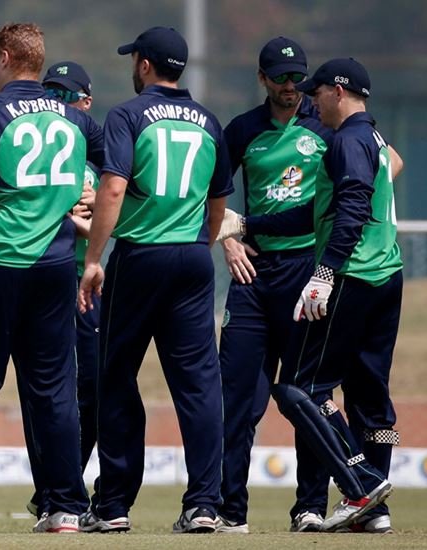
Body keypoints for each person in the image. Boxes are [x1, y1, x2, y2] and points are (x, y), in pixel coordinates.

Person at [220, 57, 402, 533]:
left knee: (301, 389)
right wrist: (247, 224)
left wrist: (324, 271)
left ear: (338, 93)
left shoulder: (345, 140)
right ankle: (374, 509)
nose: (308, 96)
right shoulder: (375, 138)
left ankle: (360, 482)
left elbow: (352, 209)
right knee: (371, 397)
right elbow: (320, 211)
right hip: (388, 275)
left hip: (352, 276)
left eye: (317, 90)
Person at [0, 22, 104, 534]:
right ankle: (66, 507)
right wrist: (92, 203)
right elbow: (120, 170)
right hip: (56, 266)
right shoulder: (73, 117)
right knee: (54, 388)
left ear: (6, 57)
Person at [77, 26, 233, 534]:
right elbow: (217, 207)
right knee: (199, 386)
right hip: (192, 259)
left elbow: (115, 186)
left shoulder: (128, 114)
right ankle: (205, 504)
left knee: (116, 377)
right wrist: (196, 248)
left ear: (144, 65)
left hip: (141, 257)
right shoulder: (210, 121)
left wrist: (94, 256)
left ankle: (114, 505)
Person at [215, 36, 334, 534]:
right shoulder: (242, 129)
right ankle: (227, 511)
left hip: (307, 273)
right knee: (238, 398)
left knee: (305, 396)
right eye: (280, 78)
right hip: (253, 277)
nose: (290, 87)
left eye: (297, 78)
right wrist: (228, 240)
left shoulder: (326, 125)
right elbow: (211, 196)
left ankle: (310, 507)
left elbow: (387, 161)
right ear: (262, 79)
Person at [20, 60, 100, 518]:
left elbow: (107, 223)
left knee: (91, 386)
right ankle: (52, 491)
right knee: (43, 390)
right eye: (49, 92)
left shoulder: (96, 163)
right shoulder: (31, 153)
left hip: (81, 283)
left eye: (65, 95)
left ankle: (63, 479)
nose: (55, 103)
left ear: (85, 104)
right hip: (39, 276)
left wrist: (95, 212)